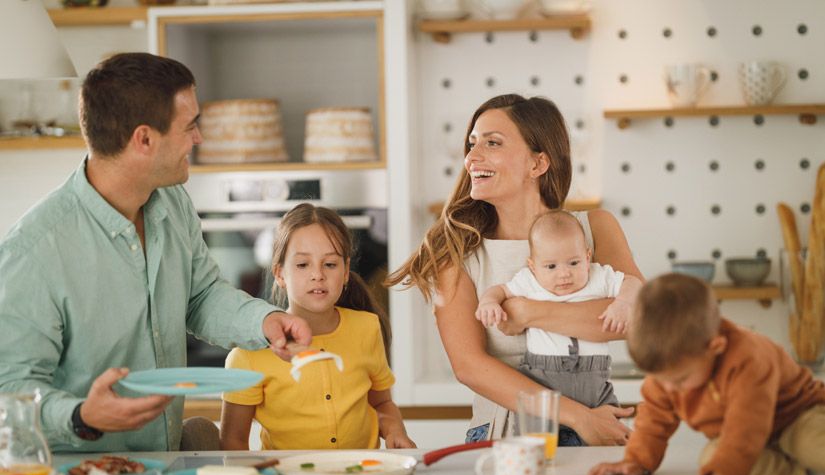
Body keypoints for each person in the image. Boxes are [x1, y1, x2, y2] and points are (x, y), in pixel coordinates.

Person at [0, 53, 311, 453]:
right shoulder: (34, 250)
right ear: (144, 139)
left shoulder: (171, 203)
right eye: (190, 126)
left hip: (159, 466)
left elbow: (201, 296)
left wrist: (265, 321)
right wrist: (81, 417)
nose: (199, 139)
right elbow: (10, 389)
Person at [386, 94, 641, 445]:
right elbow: (470, 366)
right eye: (472, 143)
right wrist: (578, 417)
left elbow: (639, 317)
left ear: (537, 164)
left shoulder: (594, 228)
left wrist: (527, 312)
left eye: (492, 143)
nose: (472, 157)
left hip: (596, 421)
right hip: (506, 432)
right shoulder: (456, 250)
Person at [588, 273, 825, 475]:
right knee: (712, 460)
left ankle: (808, 457)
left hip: (798, 417)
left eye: (680, 380)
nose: (669, 389)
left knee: (811, 444)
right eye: (660, 380)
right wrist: (635, 462)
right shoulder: (670, 370)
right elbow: (654, 419)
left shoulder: (749, 358)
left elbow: (745, 428)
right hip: (751, 439)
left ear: (716, 348)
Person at [220, 203, 416, 451]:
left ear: (345, 272)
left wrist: (395, 431)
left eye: (330, 264)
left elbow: (381, 404)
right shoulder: (249, 355)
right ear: (280, 274)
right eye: (303, 265)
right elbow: (232, 442)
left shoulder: (367, 328)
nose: (318, 275)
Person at [475, 209, 642, 445]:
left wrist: (623, 303)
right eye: (551, 266)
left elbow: (633, 283)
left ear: (587, 256)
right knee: (535, 449)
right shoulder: (530, 282)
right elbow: (501, 290)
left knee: (609, 445)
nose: (564, 274)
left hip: (595, 386)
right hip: (542, 380)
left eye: (573, 263)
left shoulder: (598, 276)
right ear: (533, 266)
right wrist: (488, 302)